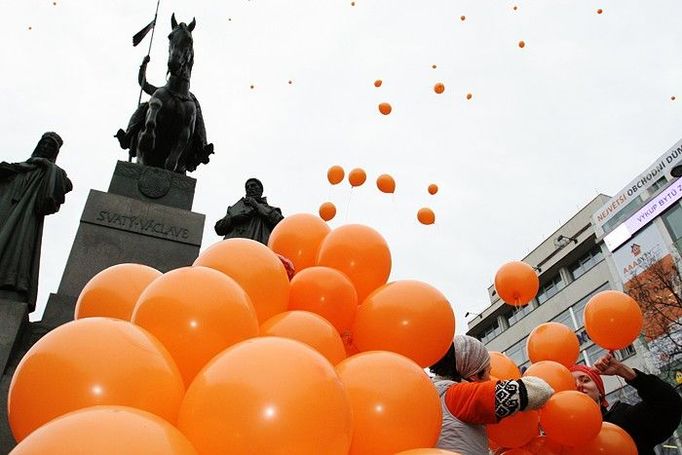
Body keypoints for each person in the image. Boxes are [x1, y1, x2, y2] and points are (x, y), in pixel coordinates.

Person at [429, 335, 554, 455]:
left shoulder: (430, 395)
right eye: (487, 372)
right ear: (474, 374)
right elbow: (540, 390)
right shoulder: (459, 395)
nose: (490, 378)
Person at [0, 132, 72, 311]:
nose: (46, 147)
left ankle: (9, 283)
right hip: (5, 212)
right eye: (44, 143)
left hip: (24, 220)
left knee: (18, 250)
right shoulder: (18, 168)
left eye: (51, 146)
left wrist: (48, 167)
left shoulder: (51, 172)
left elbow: (61, 190)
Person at [571, 352, 682, 455]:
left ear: (600, 392)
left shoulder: (623, 419)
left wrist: (624, 371)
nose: (579, 385)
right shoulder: (565, 440)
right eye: (571, 384)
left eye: (585, 380)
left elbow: (669, 404)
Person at [214, 178, 283, 245]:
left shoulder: (270, 209)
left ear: (260, 190)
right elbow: (219, 229)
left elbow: (280, 224)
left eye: (253, 185)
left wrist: (256, 205)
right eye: (247, 187)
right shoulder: (236, 208)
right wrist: (232, 220)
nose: (249, 188)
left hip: (255, 249)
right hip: (232, 248)